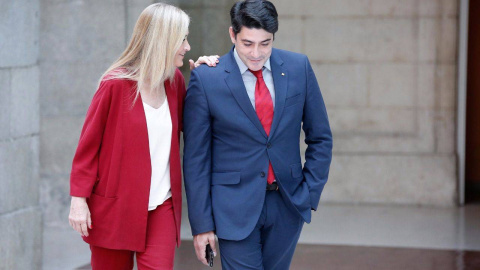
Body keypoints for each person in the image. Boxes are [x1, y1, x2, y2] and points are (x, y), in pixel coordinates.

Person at [183, 0, 333, 269]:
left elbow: (320, 136)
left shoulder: (299, 67)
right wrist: (201, 225)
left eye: (265, 43)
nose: (256, 53)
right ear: (232, 34)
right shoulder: (208, 78)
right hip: (232, 207)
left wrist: (309, 192)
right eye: (247, 43)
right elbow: (196, 158)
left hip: (287, 204)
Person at [68, 3, 218, 269]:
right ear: (164, 40)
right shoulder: (114, 85)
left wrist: (203, 81)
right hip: (115, 209)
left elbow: (194, 125)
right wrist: (78, 200)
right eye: (182, 38)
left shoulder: (175, 83)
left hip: (162, 207)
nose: (187, 46)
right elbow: (87, 148)